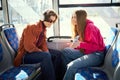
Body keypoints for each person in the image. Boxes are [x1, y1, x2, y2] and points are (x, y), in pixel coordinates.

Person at [14, 9, 63, 80]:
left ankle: (55, 76)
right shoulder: (32, 27)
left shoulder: (43, 29)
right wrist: (41, 52)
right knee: (45, 56)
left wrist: (46, 51)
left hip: (34, 52)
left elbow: (43, 43)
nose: (51, 23)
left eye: (53, 21)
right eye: (50, 21)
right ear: (44, 18)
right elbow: (28, 46)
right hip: (25, 55)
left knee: (58, 54)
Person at [61, 10, 106, 80]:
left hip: (97, 55)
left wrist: (79, 44)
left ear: (80, 18)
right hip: (87, 52)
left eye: (75, 17)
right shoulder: (81, 26)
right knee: (65, 52)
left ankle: (71, 70)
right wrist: (76, 45)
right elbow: (85, 44)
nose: (73, 19)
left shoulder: (90, 27)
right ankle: (70, 74)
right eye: (72, 17)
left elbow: (95, 47)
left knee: (71, 66)